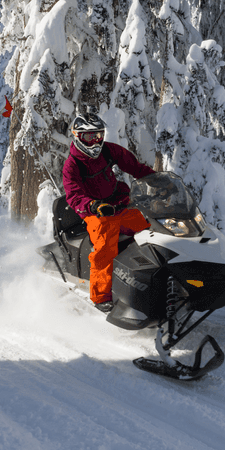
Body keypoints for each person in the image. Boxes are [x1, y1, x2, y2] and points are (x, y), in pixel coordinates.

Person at [62, 112, 155, 311]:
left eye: (99, 135)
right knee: (105, 245)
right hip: (94, 212)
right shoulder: (72, 165)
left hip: (117, 204)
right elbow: (74, 196)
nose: (95, 141)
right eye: (89, 137)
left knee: (147, 229)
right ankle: (101, 296)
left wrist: (155, 180)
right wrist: (94, 205)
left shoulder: (108, 151)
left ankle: (151, 278)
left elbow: (134, 166)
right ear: (77, 137)